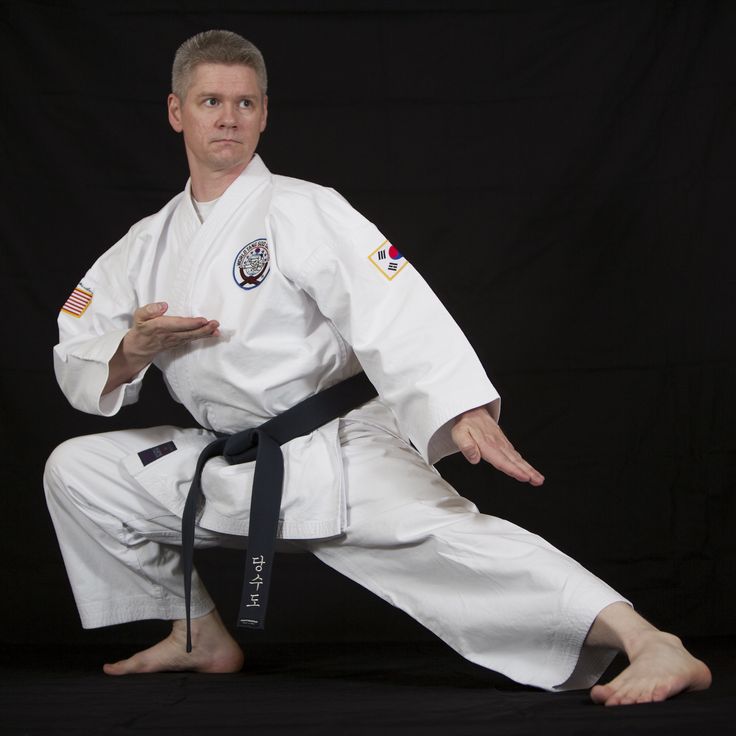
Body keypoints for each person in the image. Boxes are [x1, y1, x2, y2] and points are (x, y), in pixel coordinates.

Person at [44, 29, 711, 706]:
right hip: (232, 461)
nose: (228, 117)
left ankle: (650, 640)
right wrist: (132, 351)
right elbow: (78, 341)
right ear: (175, 111)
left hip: (332, 449)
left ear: (265, 113)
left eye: (245, 103)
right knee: (79, 470)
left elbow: (393, 302)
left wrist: (459, 404)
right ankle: (199, 634)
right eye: (210, 100)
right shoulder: (144, 244)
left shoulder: (306, 208)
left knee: (458, 542)